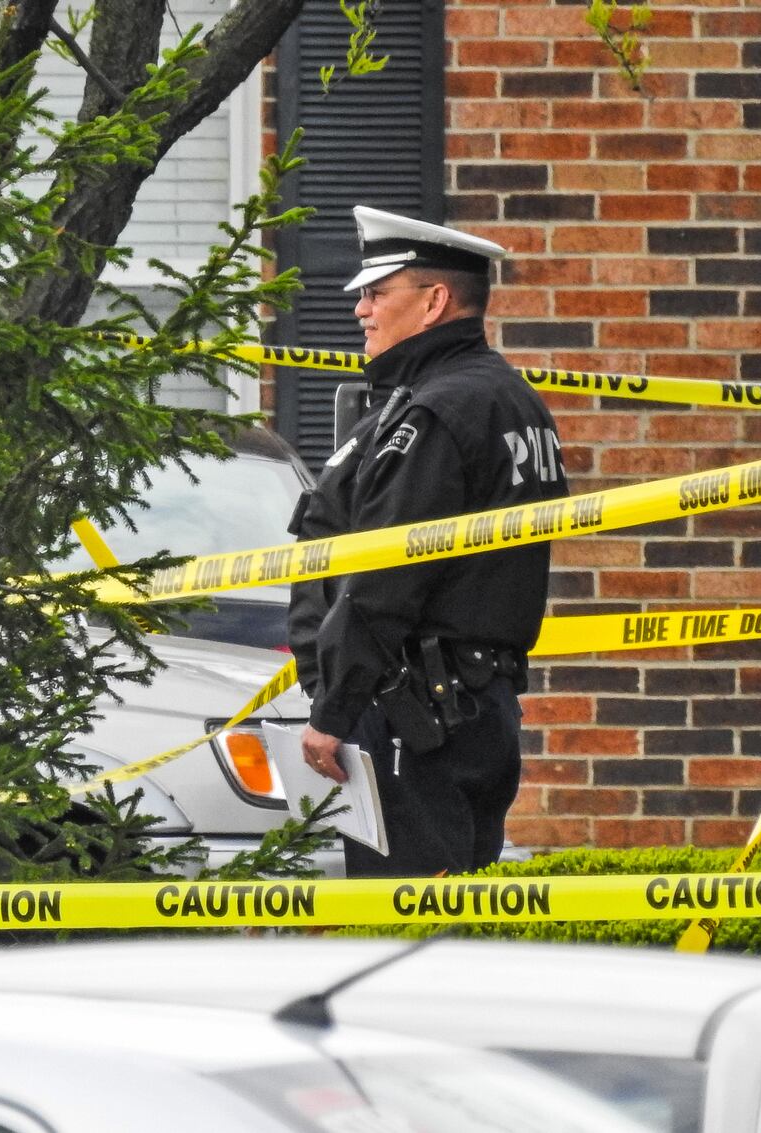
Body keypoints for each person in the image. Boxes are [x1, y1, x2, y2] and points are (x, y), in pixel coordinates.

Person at [288, 205, 568, 877]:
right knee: (455, 931)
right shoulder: (511, 400)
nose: (360, 309)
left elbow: (388, 574)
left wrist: (334, 707)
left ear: (435, 300)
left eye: (379, 292)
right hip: (474, 707)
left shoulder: (438, 412)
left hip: (415, 716)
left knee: (405, 937)